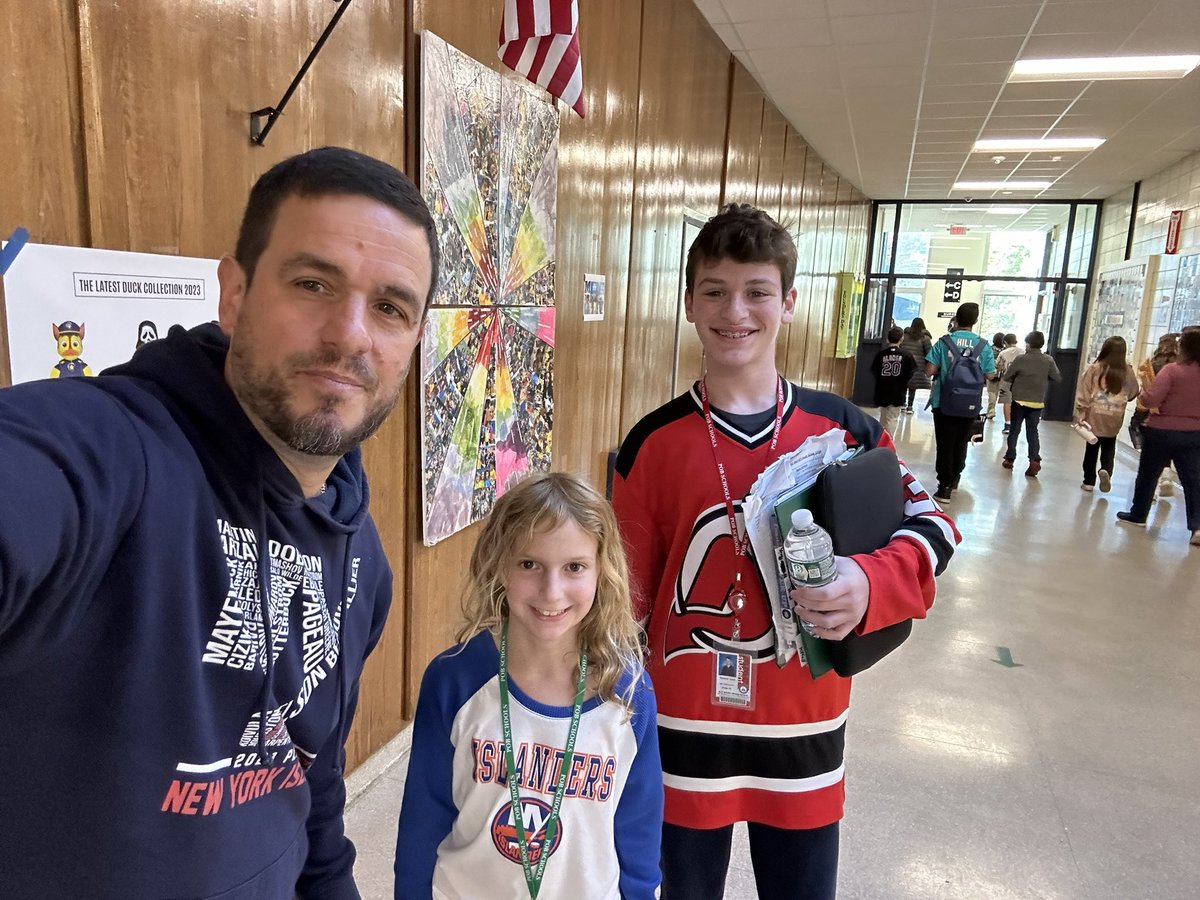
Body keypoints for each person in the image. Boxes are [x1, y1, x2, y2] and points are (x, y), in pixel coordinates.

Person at [0, 147, 438, 898]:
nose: (349, 335)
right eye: (313, 283)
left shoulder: (362, 560)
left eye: (390, 308)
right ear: (233, 295)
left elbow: (310, 781)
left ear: (413, 345)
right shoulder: (111, 454)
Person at [611, 204, 960, 900]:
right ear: (688, 303)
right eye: (714, 291)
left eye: (757, 292)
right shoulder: (650, 443)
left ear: (789, 302)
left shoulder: (846, 430)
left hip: (805, 722)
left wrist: (867, 581)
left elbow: (935, 527)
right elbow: (623, 604)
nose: (734, 310)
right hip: (682, 725)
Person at [395, 472, 662, 899]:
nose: (551, 592)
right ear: (499, 564)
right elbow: (423, 819)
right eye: (529, 564)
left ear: (602, 569)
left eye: (574, 567)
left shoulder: (628, 693)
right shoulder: (454, 679)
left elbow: (638, 831)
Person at [1117, 330, 1200, 546]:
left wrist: (1145, 393)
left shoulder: (1172, 370)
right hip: (1194, 433)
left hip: (1161, 431)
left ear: (1184, 348)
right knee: (1193, 480)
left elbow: (1151, 399)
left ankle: (1138, 514)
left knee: (1148, 474)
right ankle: (1197, 526)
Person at [925, 301, 997, 503]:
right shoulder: (983, 345)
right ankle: (955, 478)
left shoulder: (944, 342)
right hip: (970, 403)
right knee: (961, 441)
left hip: (944, 401)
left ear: (956, 319)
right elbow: (990, 375)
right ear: (975, 321)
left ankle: (944, 488)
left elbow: (929, 370)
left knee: (945, 444)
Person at [1075, 336, 1140, 493]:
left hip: (1095, 415)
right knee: (1109, 446)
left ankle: (1088, 481)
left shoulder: (1095, 368)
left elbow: (1084, 391)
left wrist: (1081, 411)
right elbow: (1133, 392)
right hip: (1115, 416)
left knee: (1092, 448)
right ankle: (1106, 470)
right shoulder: (1128, 371)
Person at [1000, 331, 1061, 477]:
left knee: (1014, 429)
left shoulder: (1021, 359)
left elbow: (1007, 376)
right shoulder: (1048, 360)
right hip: (1037, 402)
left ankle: (1010, 458)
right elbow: (1056, 377)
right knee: (1033, 432)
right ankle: (1034, 460)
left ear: (1028, 344)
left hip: (1019, 401)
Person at [1133, 332, 1180, 493]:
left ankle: (1149, 491)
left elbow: (1147, 390)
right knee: (1166, 447)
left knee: (1149, 454)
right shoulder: (1179, 366)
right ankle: (1166, 472)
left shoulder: (1152, 364)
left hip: (1149, 412)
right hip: (1171, 414)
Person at [870, 325, 915, 434]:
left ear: (887, 339)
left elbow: (874, 371)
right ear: (902, 339)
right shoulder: (907, 355)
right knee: (892, 418)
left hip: (882, 390)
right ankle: (887, 440)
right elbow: (911, 372)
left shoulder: (881, 355)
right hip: (898, 392)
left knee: (884, 416)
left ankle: (882, 438)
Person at [899, 317, 932, 413]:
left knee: (904, 384)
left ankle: (902, 404)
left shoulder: (904, 336)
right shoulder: (925, 338)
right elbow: (929, 353)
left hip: (905, 364)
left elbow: (900, 348)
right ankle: (910, 407)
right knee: (913, 387)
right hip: (918, 366)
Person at [996, 333, 1022, 434]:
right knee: (1018, 402)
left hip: (1007, 379)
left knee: (1007, 401)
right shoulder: (1023, 352)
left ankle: (1007, 425)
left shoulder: (1003, 353)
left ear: (1005, 342)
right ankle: (1016, 425)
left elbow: (999, 366)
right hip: (1020, 379)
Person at [986, 332, 1006, 419]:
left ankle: (991, 410)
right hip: (1002, 373)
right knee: (997, 392)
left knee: (991, 391)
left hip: (991, 372)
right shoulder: (1005, 351)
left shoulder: (990, 349)